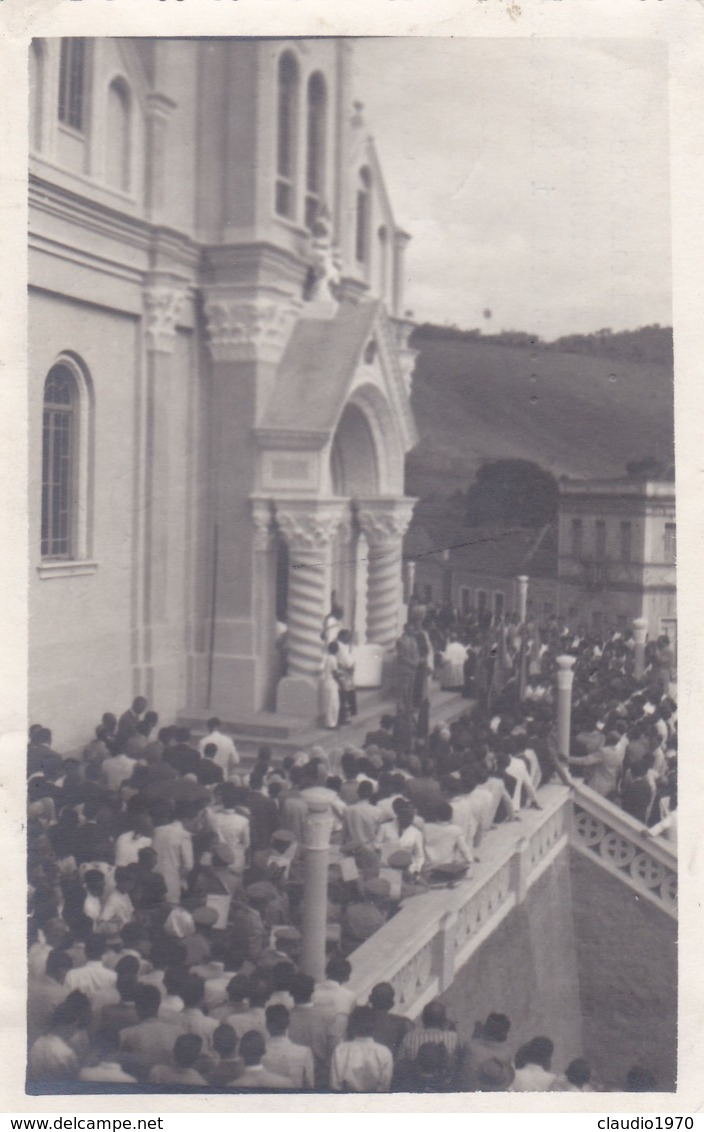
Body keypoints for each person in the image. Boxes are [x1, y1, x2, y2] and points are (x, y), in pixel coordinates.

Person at [330, 1006, 393, 1092]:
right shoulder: (384, 1052)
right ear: (375, 1025)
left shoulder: (341, 1049)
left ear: (351, 1025)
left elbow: (334, 1085)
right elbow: (384, 1086)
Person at [151, 802, 194, 904]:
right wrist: (181, 879)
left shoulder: (158, 831)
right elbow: (188, 865)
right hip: (171, 879)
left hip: (154, 876)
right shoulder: (184, 835)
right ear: (186, 819)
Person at [262, 1004, 314, 1088]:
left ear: (267, 1025)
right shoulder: (304, 1052)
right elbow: (310, 1086)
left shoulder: (258, 1053)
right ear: (288, 1023)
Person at [321, 641, 341, 729]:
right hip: (331, 682)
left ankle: (332, 723)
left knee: (331, 704)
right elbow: (335, 672)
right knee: (332, 705)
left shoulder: (327, 658)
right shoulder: (332, 658)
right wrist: (341, 682)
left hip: (327, 682)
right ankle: (331, 724)